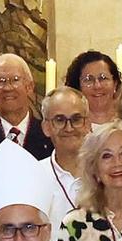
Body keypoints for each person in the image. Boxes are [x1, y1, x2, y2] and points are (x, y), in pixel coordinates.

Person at [0, 53, 51, 157]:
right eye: (0, 81)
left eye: (15, 79)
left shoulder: (49, 135)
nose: (8, 88)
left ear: (30, 87)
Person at [37, 87, 91, 221]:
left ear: (88, 124)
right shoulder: (34, 174)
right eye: (60, 120)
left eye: (76, 119)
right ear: (46, 127)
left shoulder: (105, 172)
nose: (69, 128)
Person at [66, 50, 122, 130]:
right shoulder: (69, 126)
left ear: (115, 83)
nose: (97, 86)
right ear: (77, 87)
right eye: (88, 79)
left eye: (103, 78)